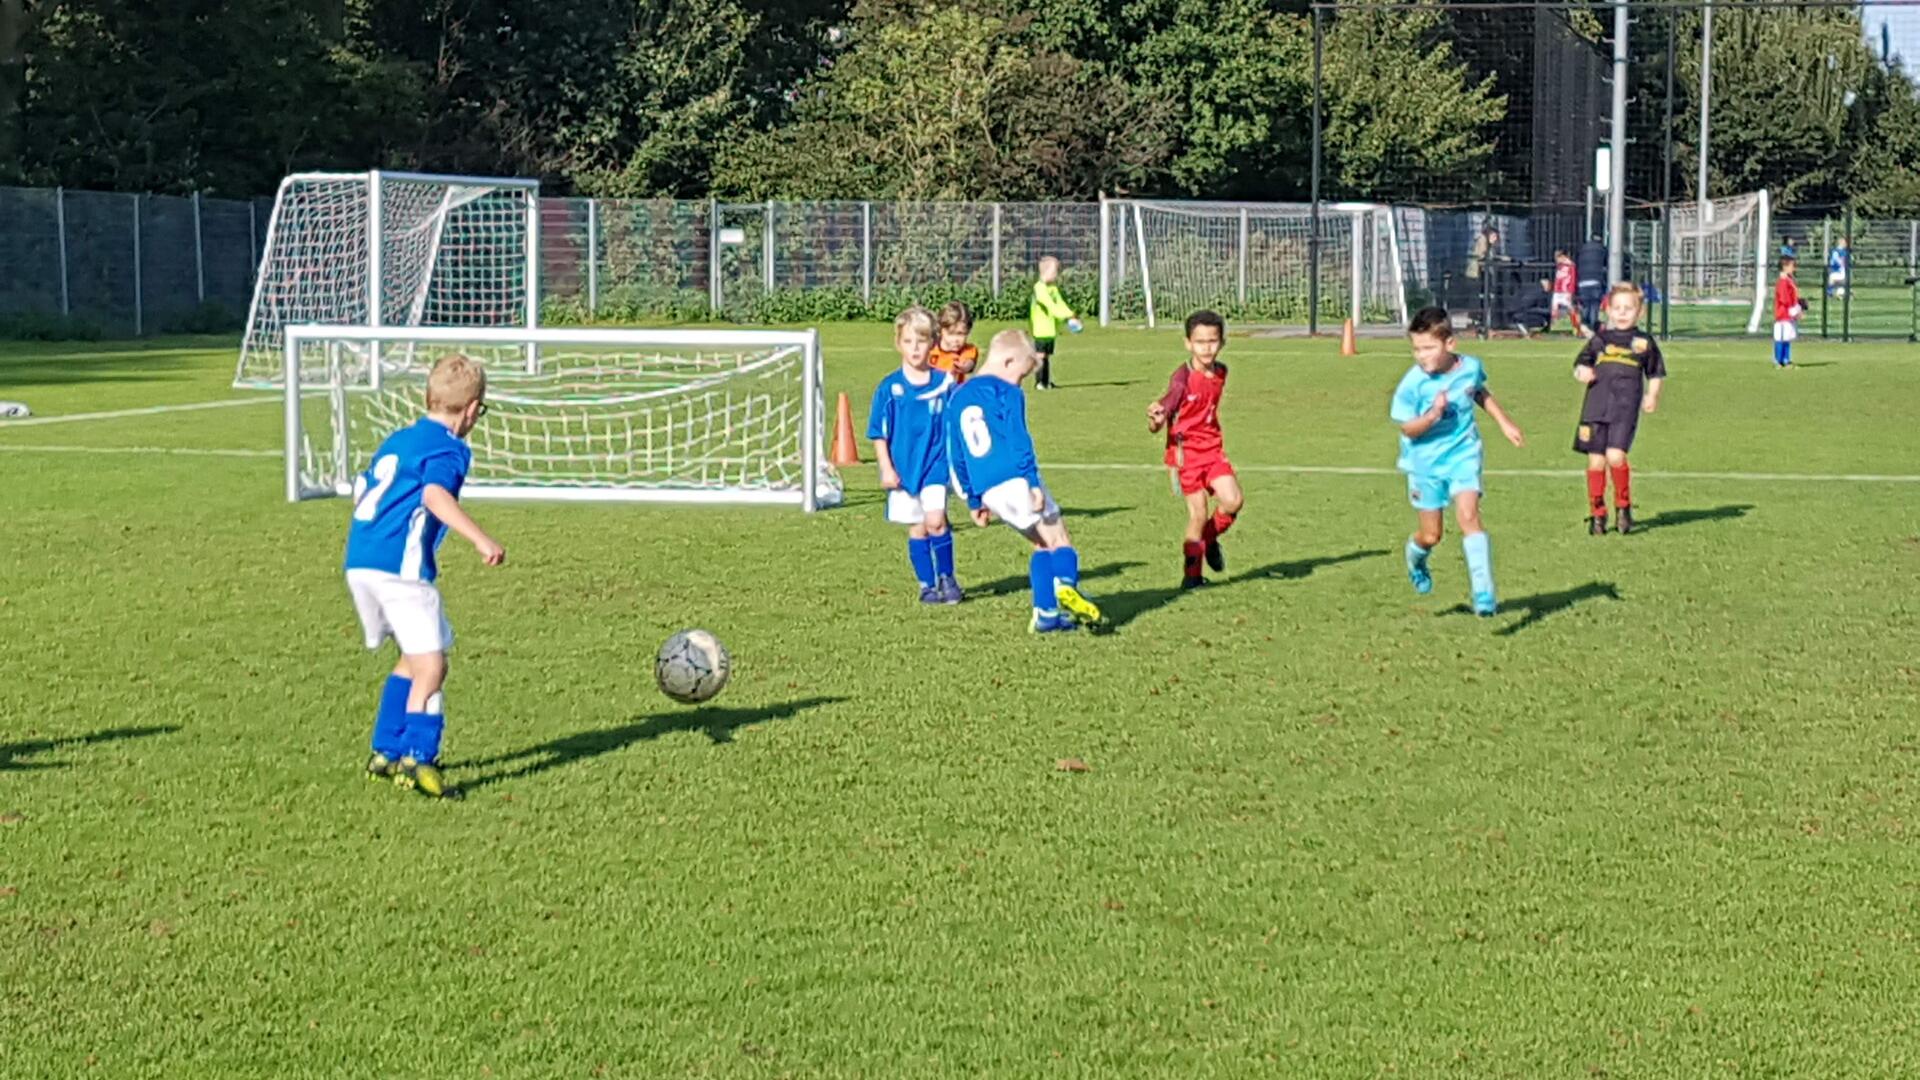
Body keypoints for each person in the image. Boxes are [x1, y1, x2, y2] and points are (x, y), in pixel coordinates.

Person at [344, 352, 506, 800]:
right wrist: (481, 539)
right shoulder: (450, 448)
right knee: (434, 666)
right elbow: (435, 495)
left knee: (413, 660)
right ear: (472, 410)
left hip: (361, 563)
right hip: (402, 572)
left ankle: (383, 749)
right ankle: (417, 756)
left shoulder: (399, 439)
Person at [947, 329, 1105, 633]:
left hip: (988, 489)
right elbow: (1020, 440)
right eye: (1020, 375)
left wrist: (973, 500)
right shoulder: (1006, 392)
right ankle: (1065, 586)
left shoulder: (957, 396)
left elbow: (955, 454)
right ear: (1008, 361)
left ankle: (1045, 615)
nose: (1020, 383)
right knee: (1059, 539)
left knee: (1041, 544)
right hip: (1016, 479)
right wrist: (1032, 482)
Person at [1390, 306, 1526, 617]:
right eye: (1416, 349)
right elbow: (1406, 428)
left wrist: (1504, 422)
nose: (1421, 356)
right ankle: (1416, 558)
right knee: (1431, 535)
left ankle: (1483, 592)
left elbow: (1478, 391)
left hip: (1464, 454)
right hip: (1424, 464)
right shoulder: (1413, 384)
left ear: (1450, 343)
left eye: (1428, 348)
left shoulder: (1470, 367)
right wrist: (1433, 415)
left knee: (1469, 516)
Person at [868, 306, 962, 604]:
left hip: (936, 464)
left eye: (921, 341)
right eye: (908, 341)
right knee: (918, 528)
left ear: (933, 342)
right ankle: (926, 585)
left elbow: (956, 422)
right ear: (898, 343)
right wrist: (885, 468)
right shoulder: (890, 387)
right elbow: (878, 433)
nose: (915, 348)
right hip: (904, 468)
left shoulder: (945, 383)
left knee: (936, 520)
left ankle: (947, 578)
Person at [1146, 310, 1243, 589]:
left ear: (1222, 342)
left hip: (1212, 450)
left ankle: (1209, 540)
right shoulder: (1181, 379)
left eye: (1212, 341)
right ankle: (1191, 577)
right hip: (1185, 455)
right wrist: (1156, 419)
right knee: (1198, 515)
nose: (1207, 347)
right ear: (1188, 343)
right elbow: (1168, 405)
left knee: (1233, 501)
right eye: (1200, 342)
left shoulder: (1221, 372)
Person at [1573, 283, 1666, 535]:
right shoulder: (1601, 339)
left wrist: (1652, 395)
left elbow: (1655, 372)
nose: (1622, 313)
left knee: (1615, 456)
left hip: (1624, 409)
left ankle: (1623, 507)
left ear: (1640, 312)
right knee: (1595, 461)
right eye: (1617, 308)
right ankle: (1597, 513)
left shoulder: (1643, 342)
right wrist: (1582, 371)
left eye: (1628, 308)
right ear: (1608, 311)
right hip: (1595, 407)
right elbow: (1581, 362)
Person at [1028, 256, 1081, 390]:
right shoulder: (1039, 288)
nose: (1057, 275)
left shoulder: (1053, 288)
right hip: (1040, 329)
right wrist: (1066, 316)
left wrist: (1070, 315)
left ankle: (1047, 382)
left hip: (1050, 330)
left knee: (1047, 356)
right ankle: (1039, 382)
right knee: (1040, 356)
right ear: (1046, 272)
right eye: (1055, 272)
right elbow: (1050, 305)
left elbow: (1060, 303)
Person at [929, 300, 979, 384]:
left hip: (954, 394)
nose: (956, 339)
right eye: (951, 334)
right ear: (941, 330)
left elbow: (969, 363)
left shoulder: (967, 350)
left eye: (961, 334)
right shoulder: (931, 350)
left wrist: (964, 367)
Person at [1773, 255, 1802, 369]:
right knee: (1781, 337)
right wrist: (1794, 310)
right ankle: (1779, 360)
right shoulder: (1783, 281)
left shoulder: (1788, 280)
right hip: (1783, 314)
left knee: (1787, 337)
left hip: (1788, 314)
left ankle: (1786, 359)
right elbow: (1784, 299)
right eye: (1792, 266)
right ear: (1784, 267)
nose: (1794, 268)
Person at [1575, 236, 1609, 329]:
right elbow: (1607, 262)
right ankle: (1592, 326)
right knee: (1594, 305)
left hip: (1582, 281)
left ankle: (1584, 325)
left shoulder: (1583, 249)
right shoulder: (1602, 249)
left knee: (1585, 305)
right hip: (1596, 280)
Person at [1551, 249, 1585, 336]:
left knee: (1571, 310)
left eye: (1557, 257)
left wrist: (1570, 292)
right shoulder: (1560, 266)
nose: (1556, 260)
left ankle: (1577, 329)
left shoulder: (1571, 266)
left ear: (1563, 256)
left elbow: (1572, 280)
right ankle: (1556, 327)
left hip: (1566, 291)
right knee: (1555, 310)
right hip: (1558, 291)